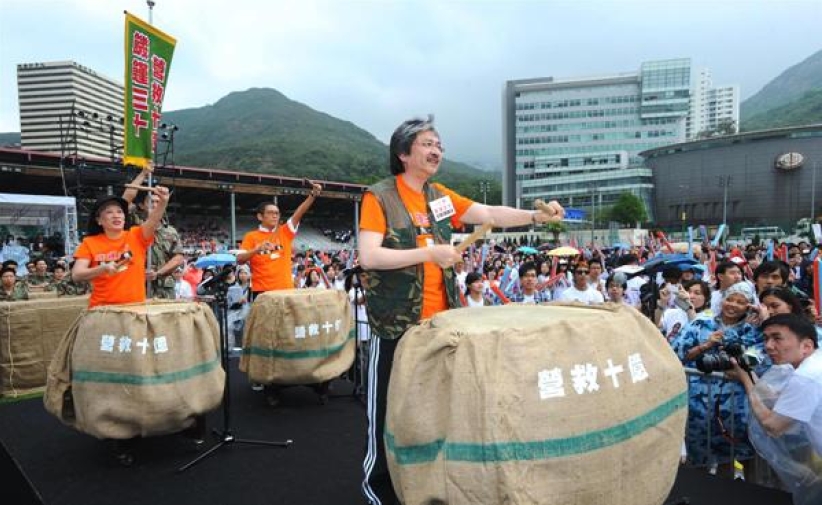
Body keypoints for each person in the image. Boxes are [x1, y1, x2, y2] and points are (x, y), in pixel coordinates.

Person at [358, 116, 564, 505]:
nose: (436, 150)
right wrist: (430, 253)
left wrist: (536, 216)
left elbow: (488, 214)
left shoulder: (438, 197)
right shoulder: (380, 196)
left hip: (441, 323)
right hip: (396, 324)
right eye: (427, 143)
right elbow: (369, 257)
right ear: (403, 153)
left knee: (435, 408)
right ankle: (379, 491)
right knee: (387, 411)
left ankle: (426, 484)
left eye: (440, 145)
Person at [670, 282, 765, 478]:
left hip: (735, 406)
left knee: (732, 456)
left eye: (741, 302)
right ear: (721, 300)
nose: (733, 305)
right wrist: (706, 345)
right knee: (698, 453)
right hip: (698, 403)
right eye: (730, 299)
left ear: (749, 305)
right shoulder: (701, 322)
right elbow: (677, 353)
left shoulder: (752, 329)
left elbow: (759, 360)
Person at [728, 314, 822, 504]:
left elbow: (773, 426)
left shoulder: (806, 376)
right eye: (766, 338)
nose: (769, 346)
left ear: (806, 346)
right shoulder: (814, 365)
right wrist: (750, 374)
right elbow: (781, 399)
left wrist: (745, 380)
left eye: (777, 338)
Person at [72, 190, 169, 308]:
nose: (116, 215)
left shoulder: (136, 235)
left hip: (135, 309)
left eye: (120, 211)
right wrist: (102, 269)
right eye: (109, 212)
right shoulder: (89, 242)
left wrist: (163, 202)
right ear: (99, 220)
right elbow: (77, 274)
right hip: (103, 310)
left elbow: (153, 220)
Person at [236, 184, 322, 298]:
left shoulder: (285, 232)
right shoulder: (251, 236)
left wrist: (312, 195)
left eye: (277, 213)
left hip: (286, 290)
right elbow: (239, 260)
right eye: (270, 213)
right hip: (262, 291)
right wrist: (257, 249)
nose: (275, 216)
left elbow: (299, 213)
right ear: (260, 216)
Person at [122, 170, 185, 299]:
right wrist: (143, 174)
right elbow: (124, 201)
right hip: (138, 284)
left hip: (163, 288)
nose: (156, 205)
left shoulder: (171, 231)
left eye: (158, 202)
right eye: (151, 202)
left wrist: (158, 273)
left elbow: (178, 258)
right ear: (142, 206)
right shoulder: (135, 223)